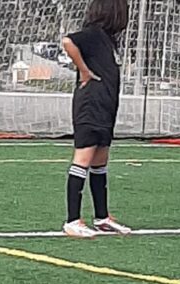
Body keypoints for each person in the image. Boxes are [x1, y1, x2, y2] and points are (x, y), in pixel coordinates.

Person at [61, 0, 132, 238]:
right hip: (90, 105)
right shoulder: (92, 34)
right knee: (83, 158)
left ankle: (102, 217)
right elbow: (68, 41)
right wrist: (83, 70)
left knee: (100, 160)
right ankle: (72, 220)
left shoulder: (109, 39)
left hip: (106, 107)